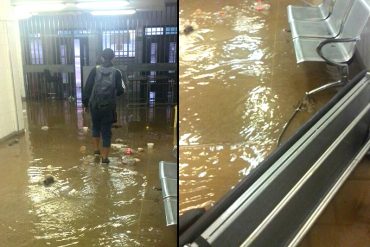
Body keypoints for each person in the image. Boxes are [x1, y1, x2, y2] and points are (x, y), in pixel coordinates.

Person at [82, 48, 125, 164]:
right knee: (106, 131)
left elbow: (87, 89)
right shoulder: (117, 72)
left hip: (95, 105)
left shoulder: (94, 70)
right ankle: (105, 158)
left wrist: (85, 104)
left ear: (101, 57)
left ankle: (96, 150)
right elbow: (121, 90)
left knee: (95, 127)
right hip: (108, 107)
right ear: (113, 58)